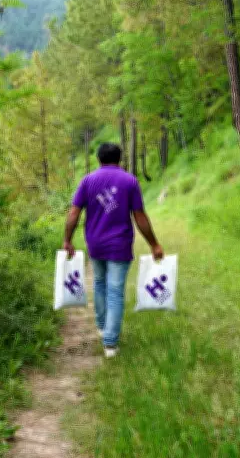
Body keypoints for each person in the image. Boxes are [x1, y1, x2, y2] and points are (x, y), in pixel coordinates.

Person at [64, 142, 164, 358]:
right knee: (115, 291)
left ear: (99, 159)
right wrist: (154, 244)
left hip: (95, 243)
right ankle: (110, 343)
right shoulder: (129, 181)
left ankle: (102, 327)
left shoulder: (87, 181)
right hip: (120, 244)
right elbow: (140, 216)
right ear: (120, 159)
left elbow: (73, 213)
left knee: (100, 283)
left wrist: (67, 240)